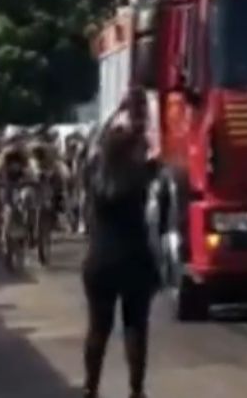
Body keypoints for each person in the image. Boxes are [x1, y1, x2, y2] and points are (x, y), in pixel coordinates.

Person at [80, 93, 159, 398]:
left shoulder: (95, 176)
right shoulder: (142, 175)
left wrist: (116, 112)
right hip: (135, 260)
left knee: (97, 329)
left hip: (100, 261)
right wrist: (143, 115)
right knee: (136, 327)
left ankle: (90, 388)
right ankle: (136, 391)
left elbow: (95, 145)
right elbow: (156, 145)